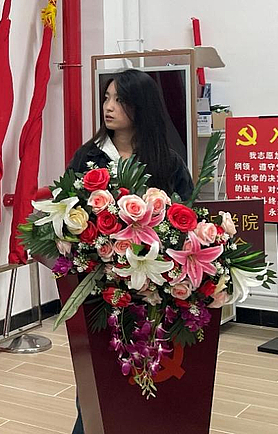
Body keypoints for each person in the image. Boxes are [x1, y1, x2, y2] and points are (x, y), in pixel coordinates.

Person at [68, 68, 194, 434]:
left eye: (119, 100)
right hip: (100, 286)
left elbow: (187, 217)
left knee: (153, 369)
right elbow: (68, 216)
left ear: (141, 106)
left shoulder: (166, 160)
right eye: (106, 98)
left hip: (154, 288)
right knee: (97, 376)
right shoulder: (88, 159)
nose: (108, 107)